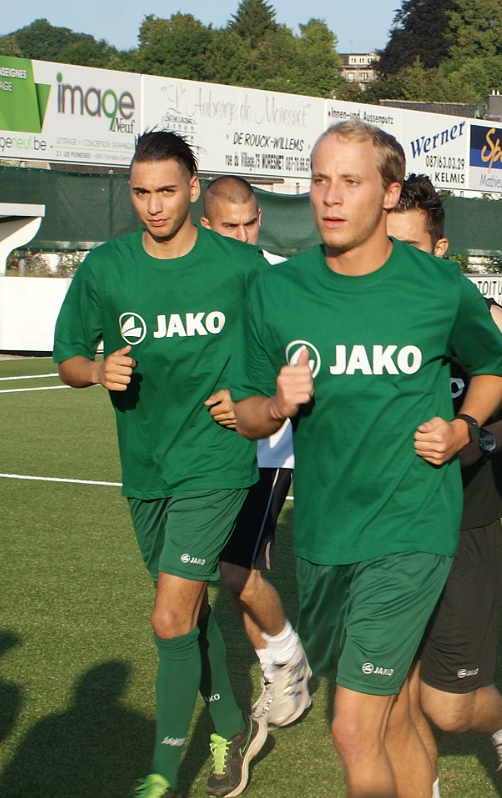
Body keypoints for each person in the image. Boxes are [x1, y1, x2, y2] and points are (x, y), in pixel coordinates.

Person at [228, 120, 502, 798]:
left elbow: (494, 366)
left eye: (349, 182)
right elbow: (242, 412)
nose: (329, 197)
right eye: (320, 180)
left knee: (352, 726)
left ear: (388, 193)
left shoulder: (436, 287)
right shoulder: (277, 291)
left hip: (411, 529)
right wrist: (274, 405)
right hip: (326, 539)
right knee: (390, 719)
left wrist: (463, 427)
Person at [53, 131, 268, 798]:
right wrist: (96, 369)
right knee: (185, 617)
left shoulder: (240, 266)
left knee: (169, 619)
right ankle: (232, 723)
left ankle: (161, 770)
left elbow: (288, 339)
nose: (153, 205)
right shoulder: (106, 268)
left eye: (166, 190)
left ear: (193, 188)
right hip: (145, 467)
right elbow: (66, 359)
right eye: (141, 192)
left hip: (217, 460)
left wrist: (255, 401)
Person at [386, 174, 502, 798]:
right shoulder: (364, 319)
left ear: (440, 249)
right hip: (387, 528)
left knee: (447, 706)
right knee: (391, 696)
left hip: (465, 523)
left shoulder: (485, 318)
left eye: (410, 245)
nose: (396, 258)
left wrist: (476, 438)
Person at [199, 175, 311, 731]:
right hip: (210, 452)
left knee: (233, 568)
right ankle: (277, 672)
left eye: (250, 224)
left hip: (268, 451)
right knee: (227, 576)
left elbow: (294, 365)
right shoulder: (198, 282)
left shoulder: (274, 285)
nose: (243, 236)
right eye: (230, 226)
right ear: (206, 226)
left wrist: (253, 402)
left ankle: (289, 658)